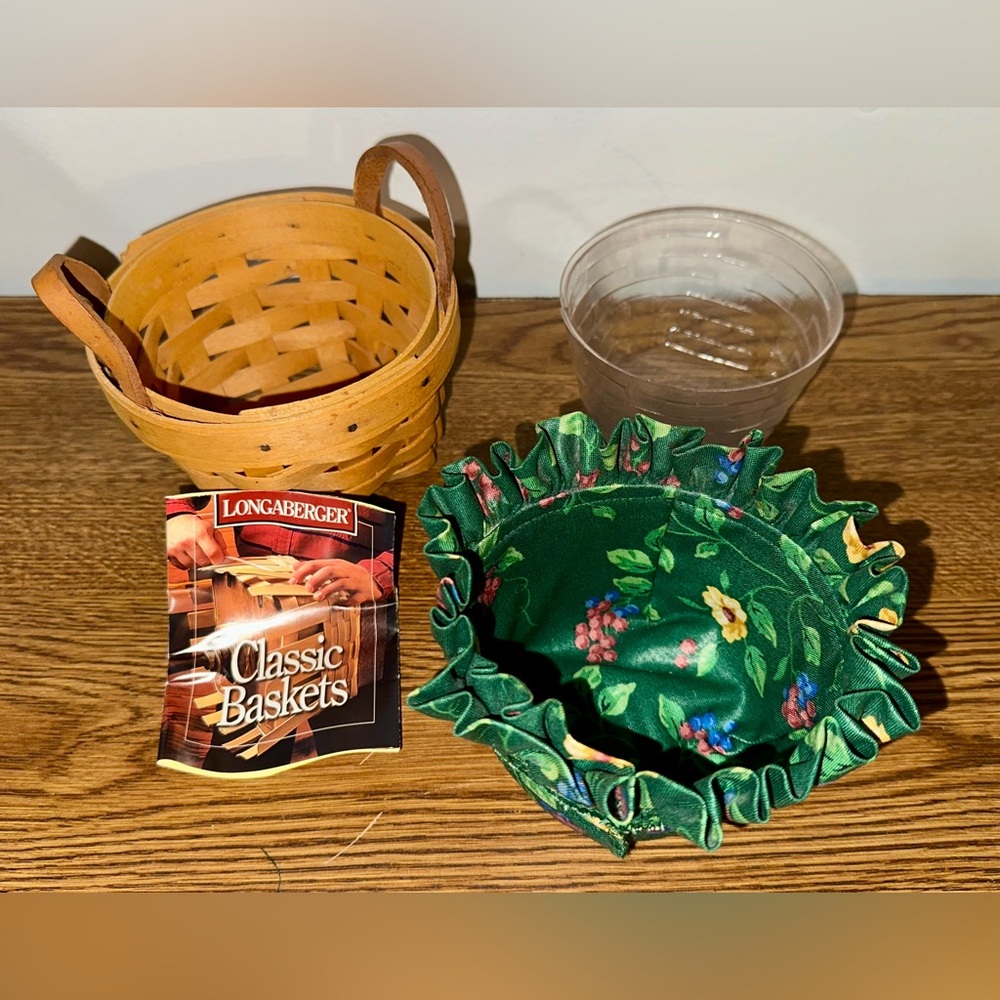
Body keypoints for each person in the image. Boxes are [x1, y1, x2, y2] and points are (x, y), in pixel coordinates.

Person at [165, 495, 394, 605]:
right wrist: (175, 515)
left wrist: (378, 575)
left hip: (353, 616)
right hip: (250, 607)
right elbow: (182, 458)